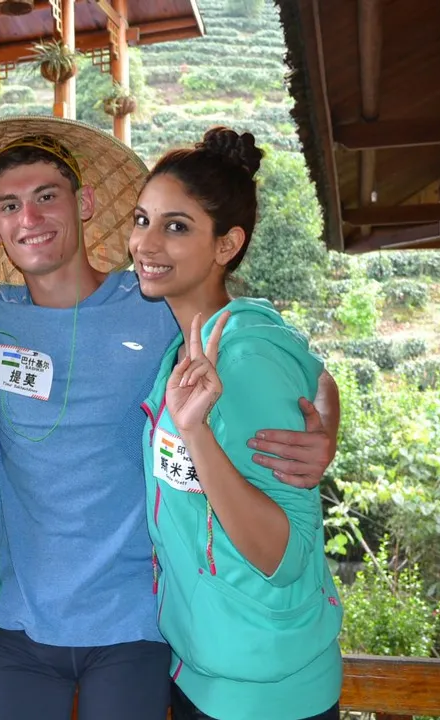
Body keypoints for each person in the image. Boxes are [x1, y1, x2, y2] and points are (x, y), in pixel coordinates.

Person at [0, 118, 341, 720]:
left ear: (84, 204)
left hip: (145, 619)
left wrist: (324, 427)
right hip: (29, 618)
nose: (29, 218)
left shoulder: (156, 304)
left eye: (46, 196)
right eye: (10, 205)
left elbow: (292, 360)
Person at [133, 127, 343, 720]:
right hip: (206, 662)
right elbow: (318, 374)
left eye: (177, 227)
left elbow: (283, 553)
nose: (147, 243)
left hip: (266, 688)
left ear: (226, 245)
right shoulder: (190, 348)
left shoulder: (245, 358)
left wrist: (196, 434)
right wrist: (328, 408)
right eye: (142, 220)